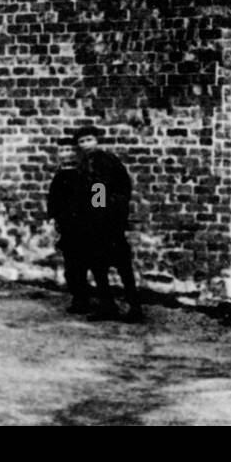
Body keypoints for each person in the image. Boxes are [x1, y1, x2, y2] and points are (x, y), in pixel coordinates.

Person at [74, 126, 144, 323]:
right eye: (82, 142)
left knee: (122, 266)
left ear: (96, 141)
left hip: (108, 224)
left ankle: (135, 307)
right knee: (98, 266)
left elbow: (100, 191)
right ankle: (108, 306)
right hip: (97, 223)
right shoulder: (86, 162)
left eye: (89, 140)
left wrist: (101, 215)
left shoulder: (103, 161)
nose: (86, 144)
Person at [47, 138, 94, 315]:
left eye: (70, 150)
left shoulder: (87, 173)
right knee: (71, 266)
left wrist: (99, 214)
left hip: (86, 224)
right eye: (62, 151)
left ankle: (101, 301)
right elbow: (53, 200)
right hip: (68, 228)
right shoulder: (59, 177)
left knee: (89, 263)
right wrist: (54, 220)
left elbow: (99, 194)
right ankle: (79, 298)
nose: (66, 154)